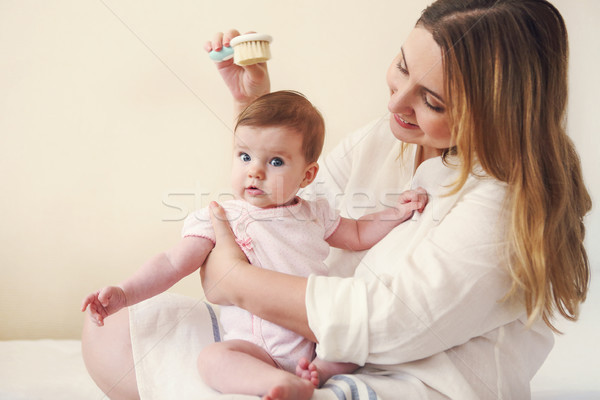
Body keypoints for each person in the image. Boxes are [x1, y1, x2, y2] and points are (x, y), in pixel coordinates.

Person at [81, 1, 592, 399]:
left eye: (431, 100)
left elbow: (388, 322)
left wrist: (239, 282)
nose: (396, 101)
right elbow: (292, 214)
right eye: (401, 65)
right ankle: (271, 381)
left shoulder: (504, 207)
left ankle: (280, 385)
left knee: (243, 367)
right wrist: (254, 105)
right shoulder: (393, 138)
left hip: (397, 377)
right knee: (111, 332)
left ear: (497, 114)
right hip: (309, 345)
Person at [81, 90, 428, 399]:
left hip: (314, 336)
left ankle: (319, 373)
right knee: (213, 359)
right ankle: (274, 382)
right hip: (253, 347)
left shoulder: (315, 213)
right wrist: (125, 294)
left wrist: (396, 212)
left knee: (353, 340)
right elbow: (173, 264)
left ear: (307, 175)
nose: (255, 172)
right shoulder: (222, 217)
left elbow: (356, 235)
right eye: (244, 156)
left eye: (275, 161)